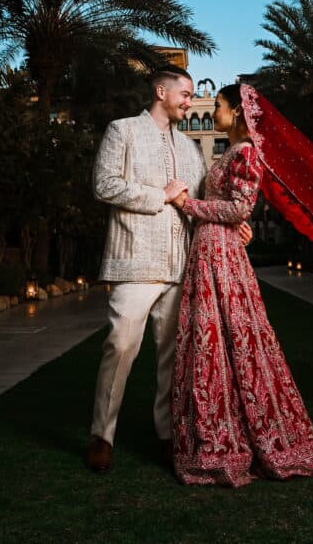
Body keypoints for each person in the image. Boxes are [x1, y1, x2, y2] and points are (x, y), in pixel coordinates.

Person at [86, 67, 251, 473]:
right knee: (120, 345)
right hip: (135, 261)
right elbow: (104, 185)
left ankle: (167, 435)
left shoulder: (191, 148)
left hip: (182, 266)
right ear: (161, 91)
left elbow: (204, 202)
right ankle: (102, 435)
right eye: (186, 94)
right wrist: (158, 195)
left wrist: (233, 223)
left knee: (172, 357)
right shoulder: (123, 130)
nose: (190, 102)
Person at [170, 83, 313, 487]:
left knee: (230, 334)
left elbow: (241, 207)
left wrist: (186, 203)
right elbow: (235, 209)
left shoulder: (244, 152)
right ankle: (217, 428)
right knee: (215, 336)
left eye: (218, 106)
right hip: (213, 248)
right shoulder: (231, 152)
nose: (215, 112)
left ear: (237, 112)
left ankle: (237, 436)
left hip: (221, 255)